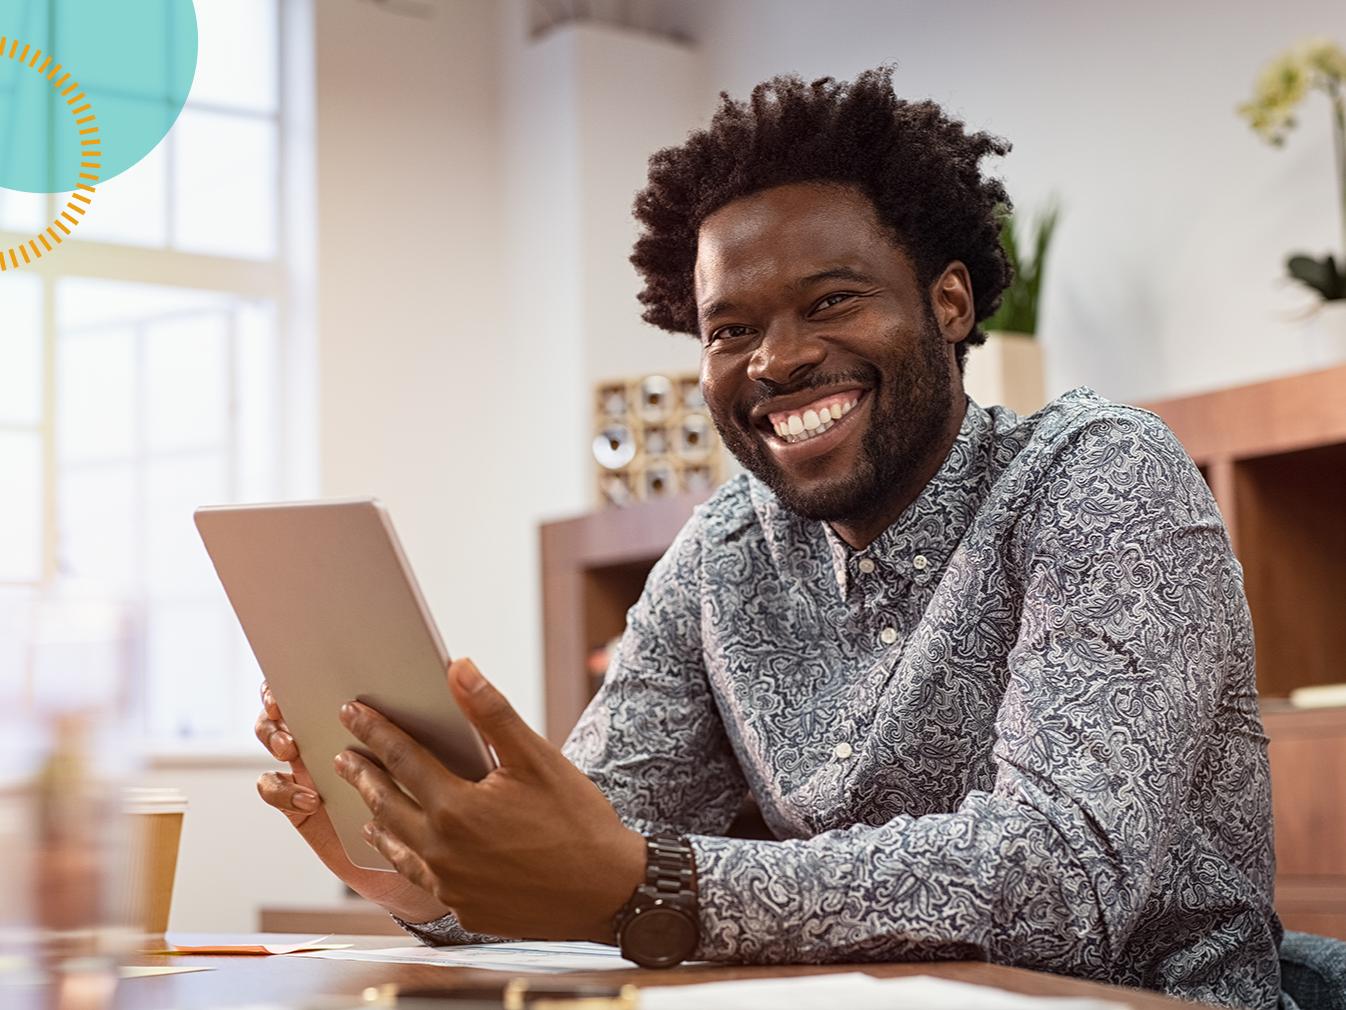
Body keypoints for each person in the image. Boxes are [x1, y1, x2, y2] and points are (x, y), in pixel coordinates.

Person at [254, 67, 1280, 1008]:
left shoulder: (1098, 474)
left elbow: (1063, 876)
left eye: (829, 301)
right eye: (730, 329)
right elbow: (572, 852)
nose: (776, 360)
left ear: (948, 302)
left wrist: (650, 881)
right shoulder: (722, 554)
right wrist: (415, 855)